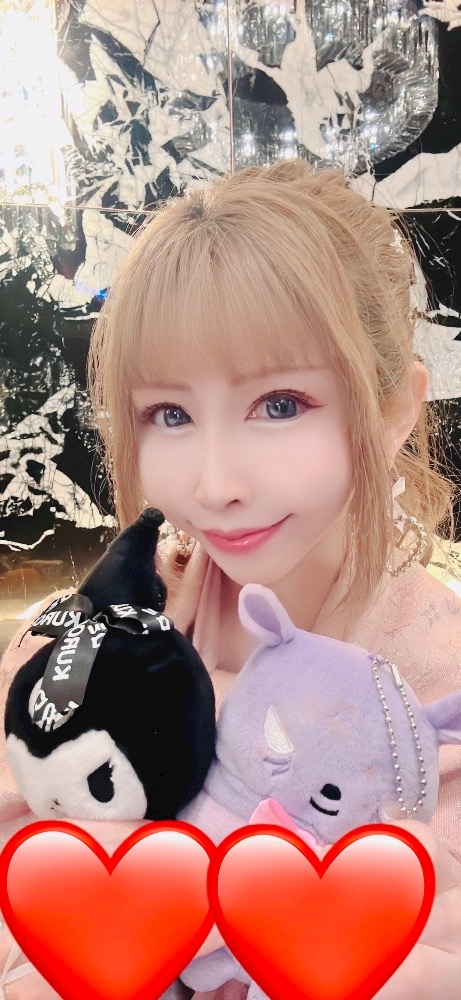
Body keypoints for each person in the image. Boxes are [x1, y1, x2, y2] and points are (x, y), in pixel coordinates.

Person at [1, 158, 460, 999]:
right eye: (169, 414)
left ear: (393, 409)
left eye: (279, 404)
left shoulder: (436, 683)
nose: (215, 484)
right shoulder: (74, 648)